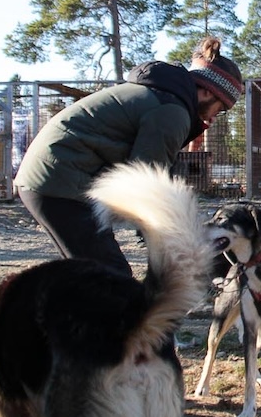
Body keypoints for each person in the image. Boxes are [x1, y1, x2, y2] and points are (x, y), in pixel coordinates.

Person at [15, 35, 243, 272]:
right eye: (222, 108)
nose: (215, 118)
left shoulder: (163, 97)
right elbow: (145, 184)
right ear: (207, 92)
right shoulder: (172, 112)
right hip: (59, 179)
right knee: (111, 277)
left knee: (90, 274)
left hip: (56, 176)